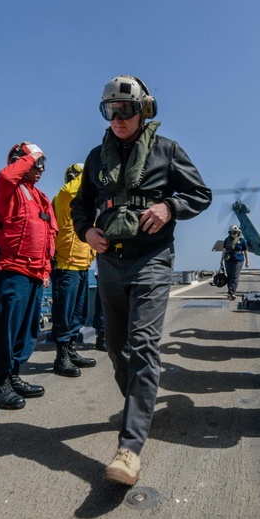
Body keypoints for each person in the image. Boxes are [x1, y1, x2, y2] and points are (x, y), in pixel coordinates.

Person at [71, 75, 212, 486]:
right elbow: (81, 206)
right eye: (109, 111)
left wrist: (169, 206)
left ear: (143, 110)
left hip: (151, 260)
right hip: (110, 265)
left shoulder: (168, 152)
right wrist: (85, 232)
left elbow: (200, 194)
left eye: (125, 110)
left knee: (145, 346)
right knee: (116, 349)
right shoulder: (97, 157)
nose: (117, 118)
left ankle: (129, 448)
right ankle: (139, 405)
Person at [0, 142, 57, 410]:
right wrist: (31, 156)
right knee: (6, 328)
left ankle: (14, 376)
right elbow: (4, 175)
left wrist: (46, 270)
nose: (40, 169)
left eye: (43, 164)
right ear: (19, 162)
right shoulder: (7, 190)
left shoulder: (40, 197)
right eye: (36, 164)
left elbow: (49, 235)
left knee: (26, 330)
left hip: (35, 273)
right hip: (11, 270)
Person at [49, 163, 97, 374]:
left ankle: (71, 351)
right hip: (65, 266)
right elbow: (71, 189)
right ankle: (61, 358)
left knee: (78, 313)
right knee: (64, 314)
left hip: (82, 266)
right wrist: (89, 174)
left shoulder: (83, 208)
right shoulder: (65, 196)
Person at [220, 225, 249, 299]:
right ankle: (230, 291)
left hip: (238, 260)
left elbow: (245, 251)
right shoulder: (227, 240)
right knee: (229, 276)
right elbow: (224, 250)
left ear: (238, 232)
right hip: (228, 260)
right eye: (232, 232)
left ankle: (232, 292)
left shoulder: (242, 240)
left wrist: (247, 261)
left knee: (235, 276)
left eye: (235, 232)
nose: (233, 234)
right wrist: (221, 260)